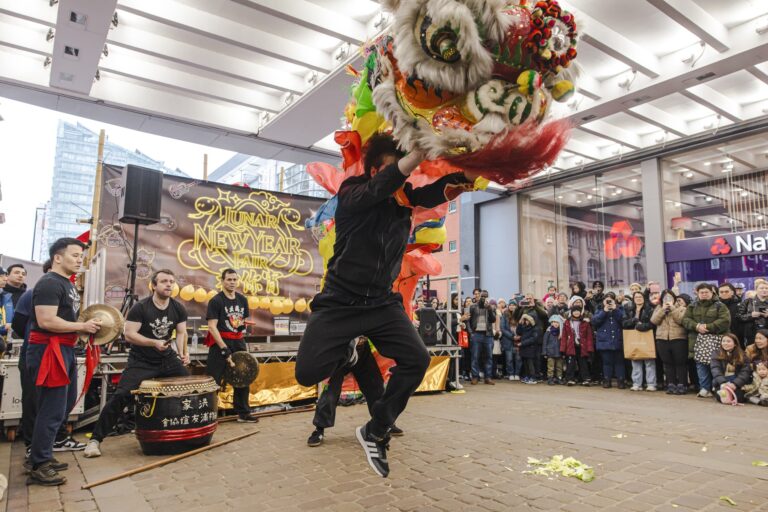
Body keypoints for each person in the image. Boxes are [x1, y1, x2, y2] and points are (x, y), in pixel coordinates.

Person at [294, 133, 476, 478]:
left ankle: (376, 428)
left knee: (417, 359)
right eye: (396, 170)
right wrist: (414, 156)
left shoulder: (403, 200)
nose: (403, 177)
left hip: (381, 303)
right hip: (339, 302)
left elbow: (435, 192)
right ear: (376, 169)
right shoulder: (352, 193)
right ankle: (346, 354)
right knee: (306, 374)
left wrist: (466, 177)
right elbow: (377, 189)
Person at [84, 269, 190, 458]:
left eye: (171, 281)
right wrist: (153, 342)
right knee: (121, 395)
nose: (169, 284)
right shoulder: (141, 307)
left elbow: (181, 332)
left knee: (189, 388)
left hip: (167, 358)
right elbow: (130, 335)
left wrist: (183, 353)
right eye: (164, 281)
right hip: (142, 360)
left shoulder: (178, 308)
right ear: (154, 285)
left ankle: (185, 434)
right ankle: (95, 440)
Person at [26, 238, 101, 485]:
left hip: (64, 349)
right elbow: (46, 320)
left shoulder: (66, 284)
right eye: (75, 255)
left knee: (63, 404)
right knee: (52, 407)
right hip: (49, 351)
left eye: (81, 256)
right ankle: (39, 464)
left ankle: (42, 454)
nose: (80, 259)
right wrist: (82, 325)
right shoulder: (49, 283)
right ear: (58, 257)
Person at [11, 260, 85, 456]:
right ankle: (32, 449)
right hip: (39, 352)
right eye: (74, 256)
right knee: (35, 403)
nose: (78, 260)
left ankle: (55, 441)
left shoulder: (69, 291)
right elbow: (19, 325)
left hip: (60, 350)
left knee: (58, 405)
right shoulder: (38, 292)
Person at [307, 338, 402, 446]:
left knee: (376, 388)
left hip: (362, 351)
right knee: (330, 392)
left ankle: (384, 423)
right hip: (340, 351)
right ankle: (319, 429)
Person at [203, 269, 259, 423]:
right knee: (213, 379)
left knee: (243, 376)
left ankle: (243, 413)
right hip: (220, 342)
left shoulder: (242, 300)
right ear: (222, 281)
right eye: (229, 279)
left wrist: (241, 331)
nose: (232, 282)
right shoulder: (216, 301)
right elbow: (212, 327)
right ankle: (207, 415)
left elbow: (241, 322)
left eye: (235, 279)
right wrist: (223, 348)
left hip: (238, 341)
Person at [682, 283, 731, 398]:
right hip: (698, 340)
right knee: (700, 364)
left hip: (716, 339)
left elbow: (725, 321)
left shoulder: (720, 306)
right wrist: (696, 326)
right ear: (697, 293)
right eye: (701, 292)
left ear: (712, 292)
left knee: (717, 364)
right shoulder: (692, 306)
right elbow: (685, 320)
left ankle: (716, 387)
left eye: (706, 292)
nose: (704, 294)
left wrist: (708, 327)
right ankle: (704, 388)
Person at [651, 290, 688, 395]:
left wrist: (672, 309)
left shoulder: (681, 308)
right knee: (667, 363)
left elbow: (681, 321)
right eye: (665, 298)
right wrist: (663, 310)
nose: (668, 300)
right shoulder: (658, 308)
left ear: (674, 298)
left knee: (680, 362)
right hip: (662, 339)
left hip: (678, 338)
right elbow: (654, 321)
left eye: (670, 298)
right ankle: (670, 383)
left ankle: (682, 384)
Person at [623, 291, 656, 391]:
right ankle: (637, 383)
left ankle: (651, 384)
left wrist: (641, 326)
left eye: (640, 296)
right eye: (636, 297)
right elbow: (624, 323)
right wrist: (633, 320)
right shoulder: (629, 309)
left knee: (649, 361)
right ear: (633, 299)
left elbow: (653, 323)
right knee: (635, 361)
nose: (638, 298)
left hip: (647, 336)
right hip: (634, 337)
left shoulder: (650, 309)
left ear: (644, 298)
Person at [592, 296, 625, 389]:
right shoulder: (599, 309)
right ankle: (607, 380)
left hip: (618, 339)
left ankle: (621, 380)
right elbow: (594, 321)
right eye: (607, 300)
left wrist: (615, 310)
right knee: (607, 362)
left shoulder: (620, 308)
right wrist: (604, 311)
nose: (609, 302)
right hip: (604, 340)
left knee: (619, 362)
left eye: (611, 300)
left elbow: (623, 320)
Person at [711, 333, 751, 405]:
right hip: (722, 383)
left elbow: (745, 372)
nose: (725, 343)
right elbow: (715, 369)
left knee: (739, 397)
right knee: (721, 396)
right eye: (723, 341)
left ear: (735, 344)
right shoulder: (716, 353)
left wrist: (735, 384)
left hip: (737, 383)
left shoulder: (743, 355)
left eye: (728, 341)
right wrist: (723, 382)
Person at [560, 304, 594, 386]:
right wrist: (562, 348)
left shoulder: (585, 322)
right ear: (571, 312)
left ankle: (585, 379)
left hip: (582, 345)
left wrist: (589, 348)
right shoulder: (567, 322)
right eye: (574, 311)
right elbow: (564, 336)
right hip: (571, 345)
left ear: (580, 312)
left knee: (583, 363)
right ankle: (570, 379)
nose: (576, 313)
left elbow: (589, 336)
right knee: (570, 363)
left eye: (578, 311)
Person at [469, 291, 496, 385]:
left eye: (486, 296)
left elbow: (493, 320)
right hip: (476, 334)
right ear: (478, 296)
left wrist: (489, 309)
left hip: (488, 334)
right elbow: (468, 320)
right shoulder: (473, 306)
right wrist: (471, 332)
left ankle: (488, 377)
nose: (484, 298)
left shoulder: (490, 307)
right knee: (475, 357)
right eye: (482, 296)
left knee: (489, 357)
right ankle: (475, 377)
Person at [737, 281, 768, 346]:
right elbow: (738, 316)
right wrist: (751, 315)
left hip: (766, 333)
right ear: (756, 289)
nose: (764, 290)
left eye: (766, 288)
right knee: (752, 353)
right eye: (762, 288)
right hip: (751, 333)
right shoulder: (747, 302)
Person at [516, 314, 541, 384]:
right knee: (525, 363)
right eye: (525, 320)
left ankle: (533, 377)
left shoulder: (536, 328)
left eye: (527, 320)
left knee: (530, 364)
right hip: (524, 348)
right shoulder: (524, 326)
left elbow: (533, 339)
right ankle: (527, 376)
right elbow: (518, 332)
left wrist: (522, 343)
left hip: (531, 348)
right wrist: (519, 324)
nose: (526, 321)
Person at [542, 315, 563, 385]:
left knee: (559, 367)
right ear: (551, 323)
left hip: (559, 352)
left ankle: (559, 378)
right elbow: (545, 342)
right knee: (550, 367)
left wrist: (563, 352)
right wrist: (544, 352)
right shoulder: (548, 332)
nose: (555, 324)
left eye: (557, 322)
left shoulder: (561, 332)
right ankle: (550, 378)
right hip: (550, 352)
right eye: (554, 322)